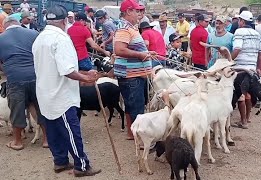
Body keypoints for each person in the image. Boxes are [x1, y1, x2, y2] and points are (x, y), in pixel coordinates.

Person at [32, 5, 101, 177]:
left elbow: (56, 68)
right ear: (64, 21)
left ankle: (60, 161)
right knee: (72, 131)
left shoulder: (40, 38)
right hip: (60, 95)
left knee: (54, 130)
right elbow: (67, 70)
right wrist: (86, 78)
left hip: (45, 92)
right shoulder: (61, 39)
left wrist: (84, 73)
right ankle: (81, 166)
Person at [0, 16, 47, 150]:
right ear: (18, 24)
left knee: (17, 110)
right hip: (35, 77)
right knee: (40, 108)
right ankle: (46, 140)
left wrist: (8, 69)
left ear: (5, 26)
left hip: (15, 79)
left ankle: (18, 142)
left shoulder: (1, 38)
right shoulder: (34, 34)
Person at [113, 0, 156, 140]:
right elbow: (119, 49)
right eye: (137, 11)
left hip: (132, 74)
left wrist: (147, 53)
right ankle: (141, 139)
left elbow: (129, 47)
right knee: (137, 108)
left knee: (132, 105)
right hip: (131, 76)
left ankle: (132, 134)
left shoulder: (130, 27)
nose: (140, 14)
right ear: (128, 11)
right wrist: (141, 54)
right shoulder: (125, 28)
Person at [231, 11, 261, 129]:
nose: (238, 22)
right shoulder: (257, 34)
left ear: (242, 21)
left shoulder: (239, 32)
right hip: (252, 68)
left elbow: (237, 49)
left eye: (239, 20)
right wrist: (259, 68)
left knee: (240, 95)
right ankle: (248, 118)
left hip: (240, 68)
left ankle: (243, 121)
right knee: (249, 94)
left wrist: (229, 60)